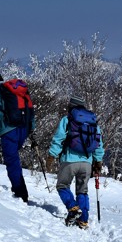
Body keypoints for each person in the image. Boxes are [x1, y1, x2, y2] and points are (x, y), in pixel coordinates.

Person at [48, 95, 104, 229]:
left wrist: (51, 156)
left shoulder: (67, 120)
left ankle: (73, 208)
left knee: (62, 186)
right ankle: (83, 220)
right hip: (87, 163)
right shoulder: (93, 123)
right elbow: (99, 144)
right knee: (82, 191)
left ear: (71, 106)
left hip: (69, 160)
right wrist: (98, 162)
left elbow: (58, 139)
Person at [0, 68, 34, 203]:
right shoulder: (15, 91)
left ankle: (20, 193)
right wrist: (32, 129)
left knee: (12, 161)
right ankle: (21, 190)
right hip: (23, 128)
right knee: (14, 160)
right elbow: (30, 109)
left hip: (9, 130)